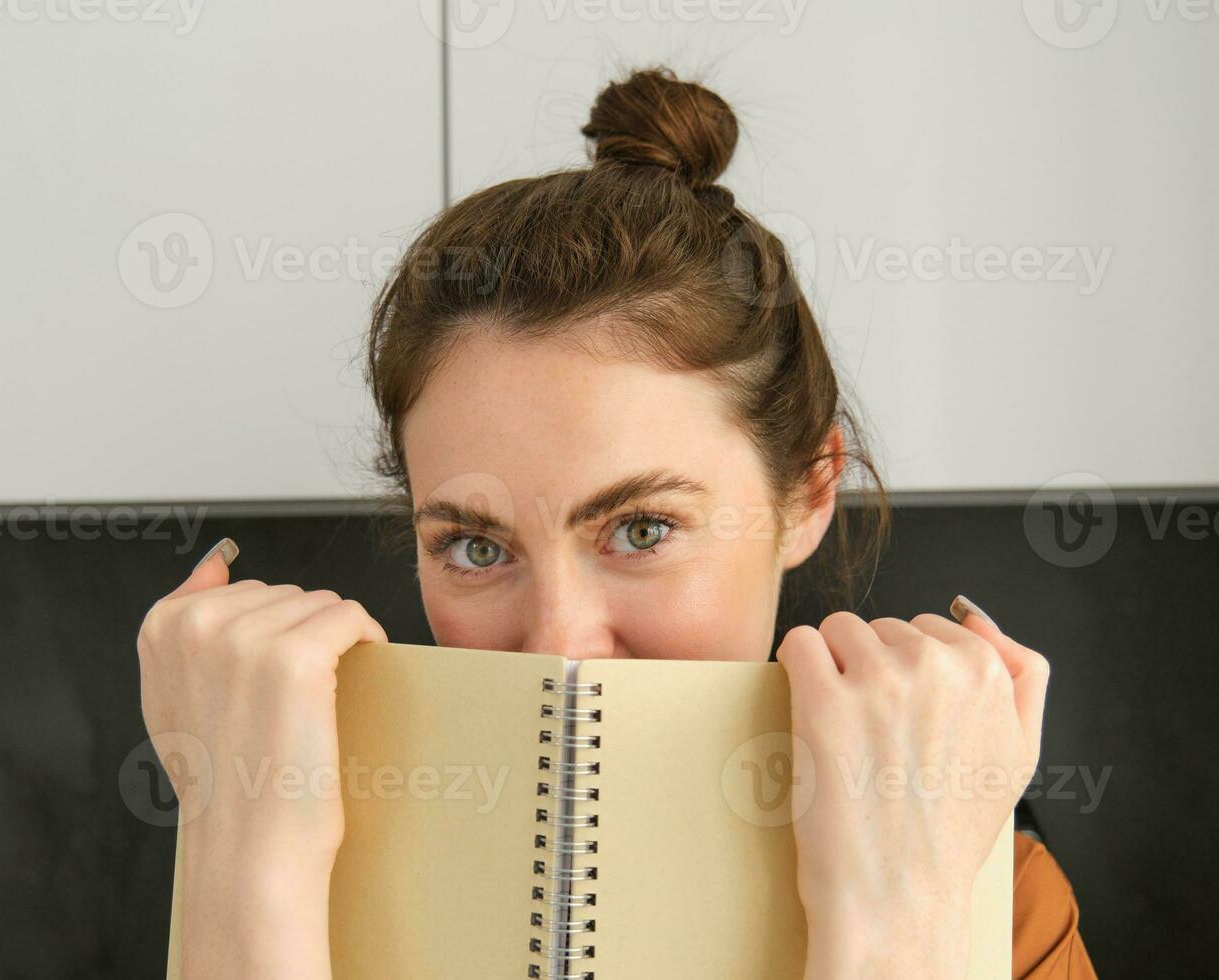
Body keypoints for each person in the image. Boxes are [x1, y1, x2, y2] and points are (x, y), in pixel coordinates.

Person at [136, 68, 1097, 979]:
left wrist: (897, 927)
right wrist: (244, 873)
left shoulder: (995, 902)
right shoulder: (275, 848)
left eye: (641, 530)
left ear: (807, 492)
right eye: (475, 547)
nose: (561, 646)